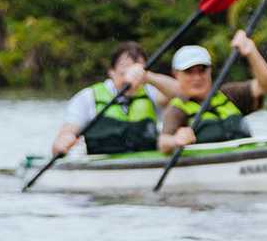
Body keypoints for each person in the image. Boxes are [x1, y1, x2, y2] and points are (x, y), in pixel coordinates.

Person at [156, 30, 267, 154]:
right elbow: (163, 143)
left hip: (247, 157)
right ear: (176, 74)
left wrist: (251, 52)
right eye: (189, 72)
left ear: (210, 70)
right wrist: (176, 140)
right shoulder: (177, 110)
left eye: (202, 70)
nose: (197, 78)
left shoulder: (230, 94)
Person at [49, 42, 180, 158]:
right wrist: (63, 142)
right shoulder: (88, 97)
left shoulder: (151, 92)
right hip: (102, 166)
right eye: (123, 73)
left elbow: (181, 94)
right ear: (111, 72)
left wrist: (148, 76)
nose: (129, 79)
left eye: (136, 74)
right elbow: (67, 132)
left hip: (146, 163)